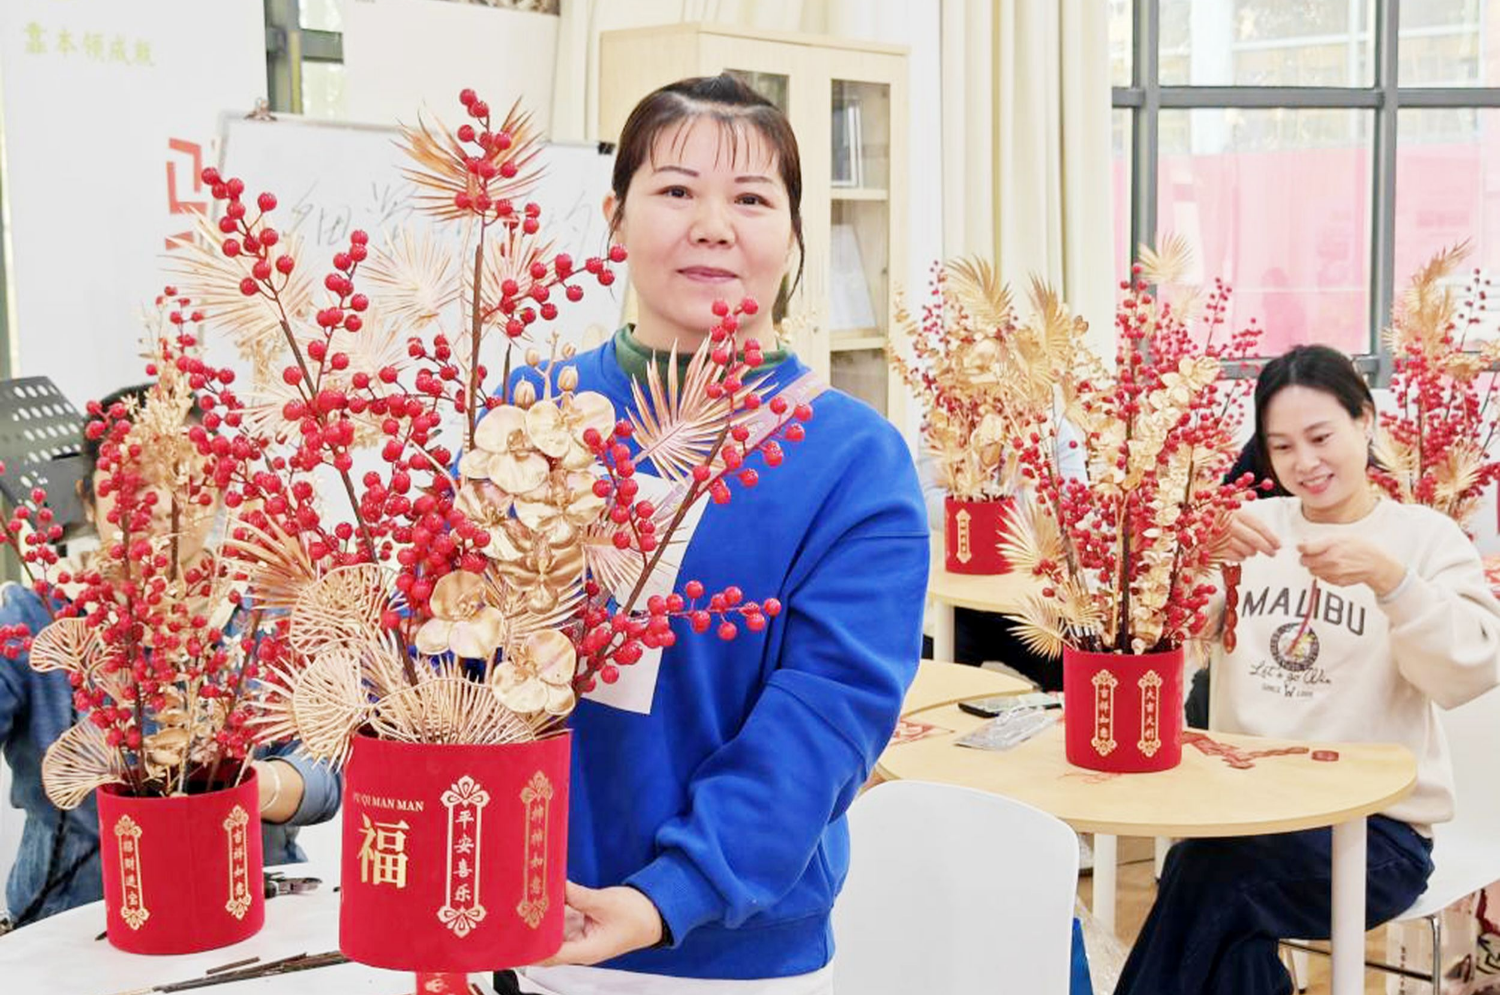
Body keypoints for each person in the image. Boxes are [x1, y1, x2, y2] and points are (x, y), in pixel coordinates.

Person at [495, 74, 929, 993]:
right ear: (616, 219)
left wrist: (672, 892)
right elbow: (444, 650)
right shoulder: (529, 413)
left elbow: (828, 712)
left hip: (729, 956)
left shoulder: (854, 460)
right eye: (676, 189)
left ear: (794, 235)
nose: (713, 225)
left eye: (752, 199)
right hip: (510, 918)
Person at [1116, 344, 1500, 995]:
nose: (1305, 462)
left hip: (1377, 833)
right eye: (1282, 446)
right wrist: (1193, 557)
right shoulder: (1250, 529)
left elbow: (1467, 670)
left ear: (1365, 420)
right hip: (1247, 815)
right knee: (1227, 922)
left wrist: (1394, 582)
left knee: (1207, 876)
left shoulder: (1423, 539)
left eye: (1321, 437)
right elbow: (1157, 635)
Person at [0, 384, 342, 929]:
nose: (161, 506)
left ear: (220, 491)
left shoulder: (261, 617)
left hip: (251, 921)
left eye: (186, 480)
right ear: (89, 499)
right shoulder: (35, 618)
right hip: (77, 932)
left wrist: (247, 786)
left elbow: (324, 772)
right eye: (135, 484)